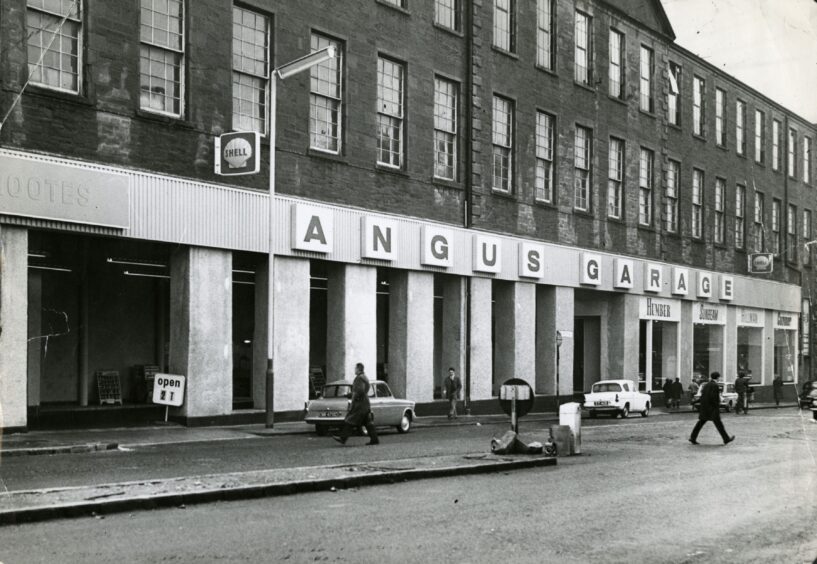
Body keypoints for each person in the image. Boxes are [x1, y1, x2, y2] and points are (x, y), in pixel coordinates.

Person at [333, 362, 379, 446]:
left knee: (351, 420)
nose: (354, 370)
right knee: (368, 423)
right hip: (365, 403)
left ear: (358, 369)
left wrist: (353, 399)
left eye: (355, 368)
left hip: (360, 404)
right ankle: (374, 439)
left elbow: (359, 391)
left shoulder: (359, 378)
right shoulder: (365, 377)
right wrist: (349, 395)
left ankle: (343, 438)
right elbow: (363, 390)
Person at [689, 371, 735, 445]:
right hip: (712, 409)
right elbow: (714, 397)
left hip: (705, 408)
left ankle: (693, 437)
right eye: (719, 377)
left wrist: (695, 402)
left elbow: (702, 396)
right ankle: (726, 439)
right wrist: (717, 405)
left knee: (700, 423)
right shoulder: (715, 385)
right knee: (719, 424)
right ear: (717, 377)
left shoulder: (706, 385)